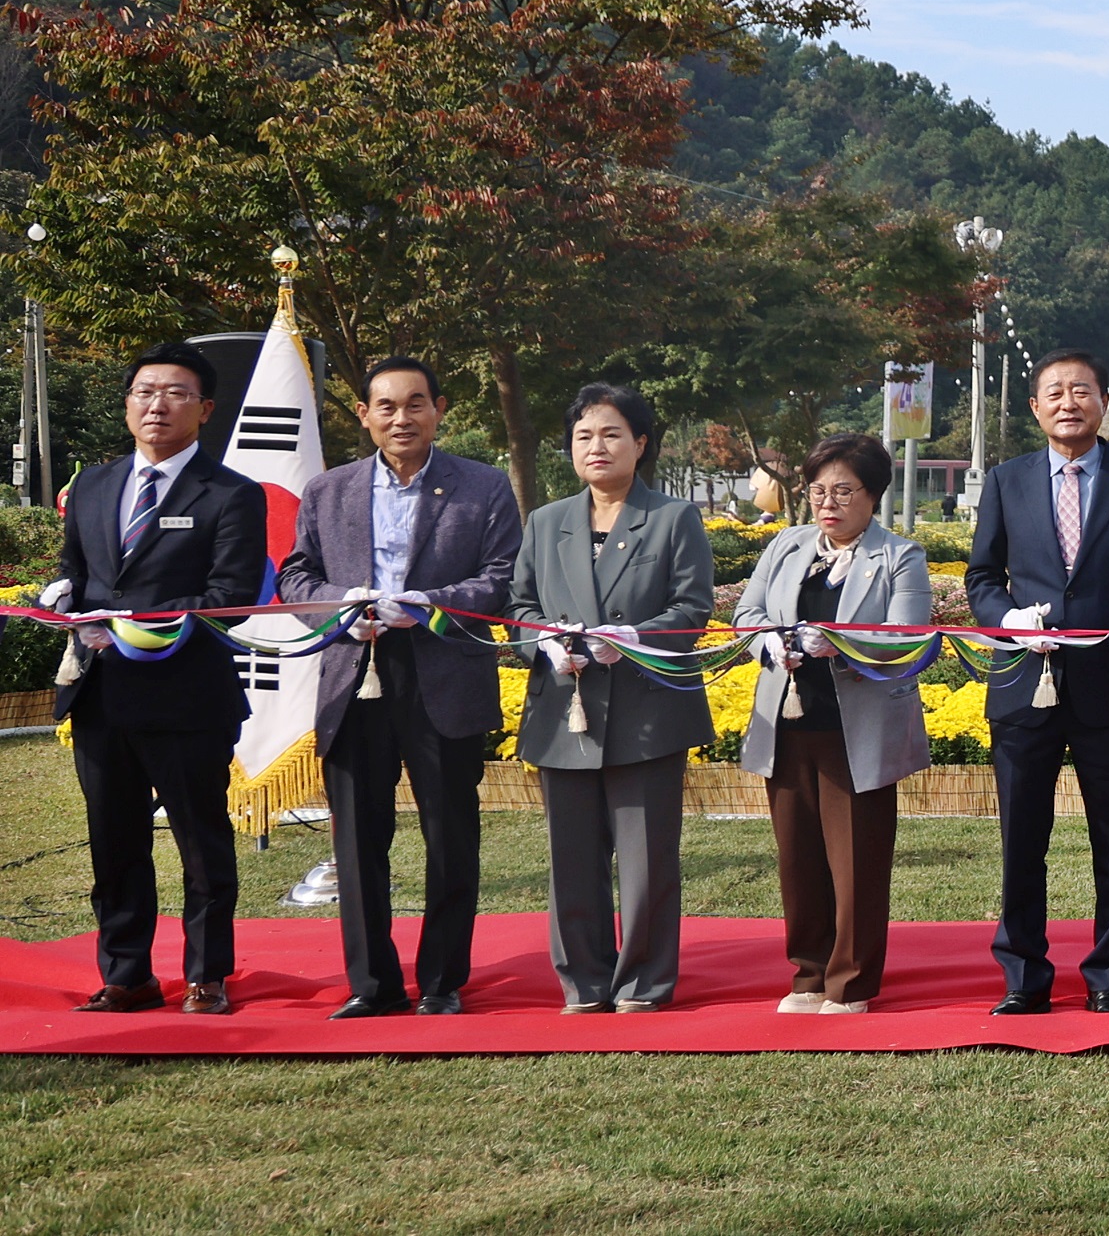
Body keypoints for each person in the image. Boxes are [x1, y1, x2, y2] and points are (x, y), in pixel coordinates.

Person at [277, 356, 522, 1018]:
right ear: (364, 414)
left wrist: (424, 603)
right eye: (385, 405)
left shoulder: (483, 486)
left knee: (450, 835)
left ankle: (442, 981)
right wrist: (340, 603)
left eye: (415, 403)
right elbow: (294, 578)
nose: (401, 417)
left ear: (438, 409)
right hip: (355, 674)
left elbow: (501, 577)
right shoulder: (329, 490)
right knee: (356, 840)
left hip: (440, 670)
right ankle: (372, 984)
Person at [46, 343, 268, 1015]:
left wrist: (133, 622)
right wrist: (65, 597)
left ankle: (206, 973)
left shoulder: (231, 493)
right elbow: (77, 571)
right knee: (114, 840)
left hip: (187, 696)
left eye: (174, 392)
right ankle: (127, 973)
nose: (156, 404)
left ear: (203, 409)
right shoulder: (91, 485)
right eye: (144, 391)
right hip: (101, 694)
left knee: (200, 840)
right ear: (127, 404)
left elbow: (230, 595)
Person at [968, 350, 1109, 1016]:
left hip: (1108, 680)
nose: (1069, 402)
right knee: (1021, 838)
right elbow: (981, 577)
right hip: (1023, 679)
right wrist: (1009, 622)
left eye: (1082, 390)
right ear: (1035, 407)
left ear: (1101, 403)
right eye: (1054, 392)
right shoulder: (1007, 480)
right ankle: (1023, 976)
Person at [506, 383, 716, 1013]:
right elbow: (520, 606)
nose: (596, 447)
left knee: (648, 860)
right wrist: (541, 644)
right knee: (571, 858)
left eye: (611, 434)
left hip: (646, 710)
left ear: (640, 443)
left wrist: (633, 638)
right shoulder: (546, 523)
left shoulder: (674, 518)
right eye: (583, 436)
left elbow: (692, 609)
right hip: (564, 710)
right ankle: (584, 982)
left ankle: (644, 983)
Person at [732, 433, 931, 1016]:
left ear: (873, 495)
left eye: (845, 490)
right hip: (787, 722)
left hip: (858, 731)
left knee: (856, 863)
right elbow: (748, 611)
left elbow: (908, 639)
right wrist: (768, 641)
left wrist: (840, 646)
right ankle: (808, 974)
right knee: (797, 858)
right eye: (819, 490)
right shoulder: (789, 546)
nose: (829, 502)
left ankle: (852, 981)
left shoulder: (900, 555)